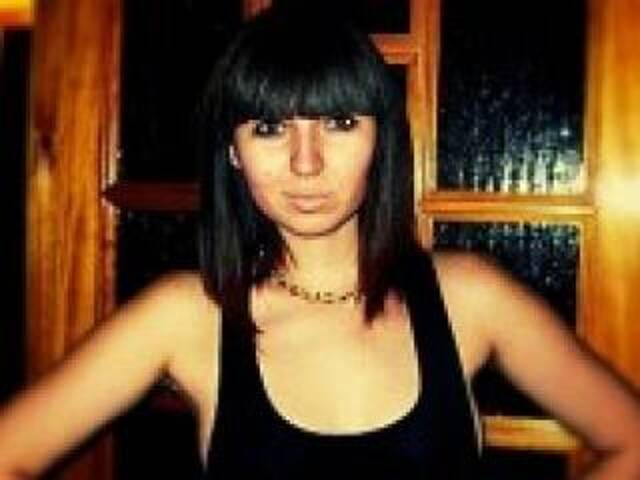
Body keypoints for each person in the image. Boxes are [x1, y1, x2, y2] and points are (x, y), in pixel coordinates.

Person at [1, 5, 640, 479]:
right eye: (269, 127)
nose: (306, 163)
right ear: (232, 151)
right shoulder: (188, 314)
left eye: (338, 122)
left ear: (381, 139)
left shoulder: (470, 298)